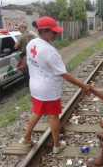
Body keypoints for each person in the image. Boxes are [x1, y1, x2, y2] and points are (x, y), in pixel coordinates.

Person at [19, 16, 91, 154]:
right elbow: (63, 73)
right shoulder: (49, 51)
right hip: (48, 88)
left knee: (37, 111)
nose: (56, 34)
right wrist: (83, 85)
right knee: (53, 116)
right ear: (44, 31)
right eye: (54, 32)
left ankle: (26, 137)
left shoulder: (32, 43)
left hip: (35, 85)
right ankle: (57, 145)